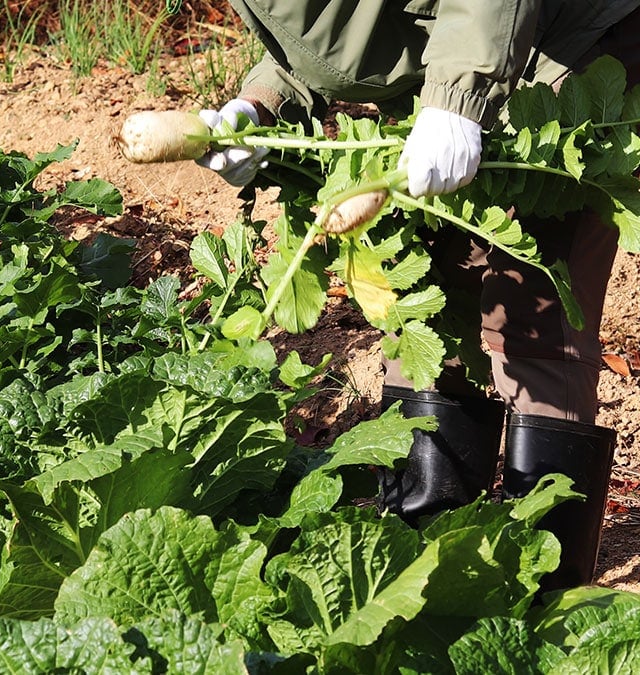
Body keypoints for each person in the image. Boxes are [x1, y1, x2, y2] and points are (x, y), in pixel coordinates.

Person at [198, 0, 640, 591]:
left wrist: (458, 98)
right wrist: (262, 101)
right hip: (453, 50)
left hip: (570, 31)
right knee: (425, 301)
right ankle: (420, 561)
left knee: (536, 309)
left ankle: (543, 598)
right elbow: (343, 18)